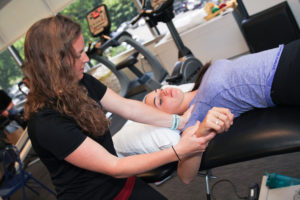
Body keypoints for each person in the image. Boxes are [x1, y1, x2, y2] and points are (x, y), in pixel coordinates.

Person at [22, 15, 233, 199]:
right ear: (55, 62)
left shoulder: (81, 81)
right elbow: (115, 166)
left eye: (83, 51)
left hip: (124, 184)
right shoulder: (45, 123)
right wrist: (179, 151)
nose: (86, 58)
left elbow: (127, 107)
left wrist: (180, 121)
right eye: (78, 55)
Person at [144, 39, 300, 130]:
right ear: (166, 117)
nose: (163, 93)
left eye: (159, 90)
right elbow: (185, 175)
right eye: (160, 101)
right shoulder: (195, 117)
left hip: (284, 53)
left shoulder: (198, 87)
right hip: (282, 78)